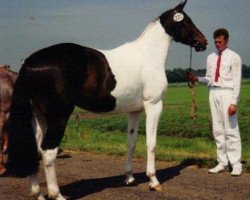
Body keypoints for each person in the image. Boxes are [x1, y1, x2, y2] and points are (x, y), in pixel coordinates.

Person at [188, 28, 242, 176]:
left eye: (220, 41)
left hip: (227, 93)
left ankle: (236, 164)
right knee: (217, 130)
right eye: (216, 42)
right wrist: (197, 79)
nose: (217, 44)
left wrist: (233, 102)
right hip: (213, 93)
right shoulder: (210, 57)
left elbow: (237, 81)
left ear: (226, 40)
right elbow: (210, 78)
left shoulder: (234, 57)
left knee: (231, 129)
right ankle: (222, 162)